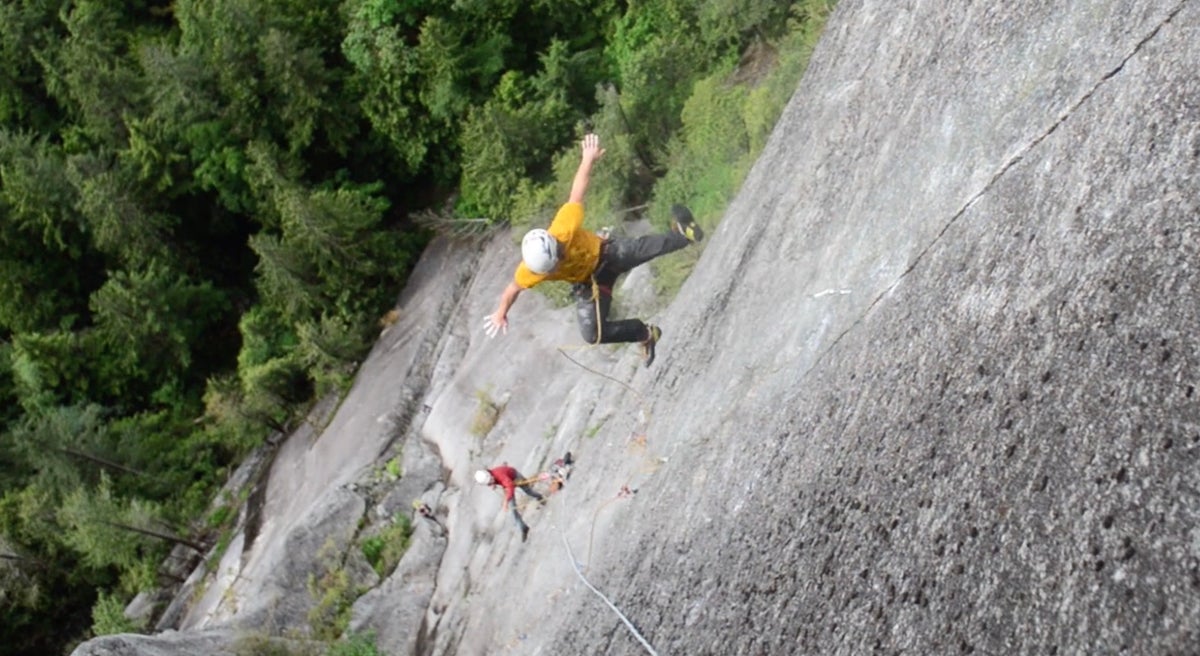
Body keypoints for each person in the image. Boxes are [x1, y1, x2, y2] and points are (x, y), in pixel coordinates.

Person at [483, 133, 704, 366]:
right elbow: (512, 289)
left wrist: (587, 159)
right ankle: (645, 334)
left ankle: (684, 234)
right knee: (592, 334)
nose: (558, 264)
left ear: (554, 244)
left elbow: (577, 191)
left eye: (557, 257)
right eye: (553, 267)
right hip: (589, 283)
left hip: (607, 255)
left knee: (642, 249)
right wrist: (500, 312)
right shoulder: (531, 270)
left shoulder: (563, 228)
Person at [475, 465, 544, 541]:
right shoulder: (491, 476)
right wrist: (493, 484)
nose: (490, 483)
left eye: (490, 481)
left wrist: (506, 501)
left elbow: (510, 485)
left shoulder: (499, 475)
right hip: (507, 483)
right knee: (514, 511)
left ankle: (540, 497)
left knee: (529, 491)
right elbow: (502, 482)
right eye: (489, 483)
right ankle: (524, 528)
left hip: (515, 477)